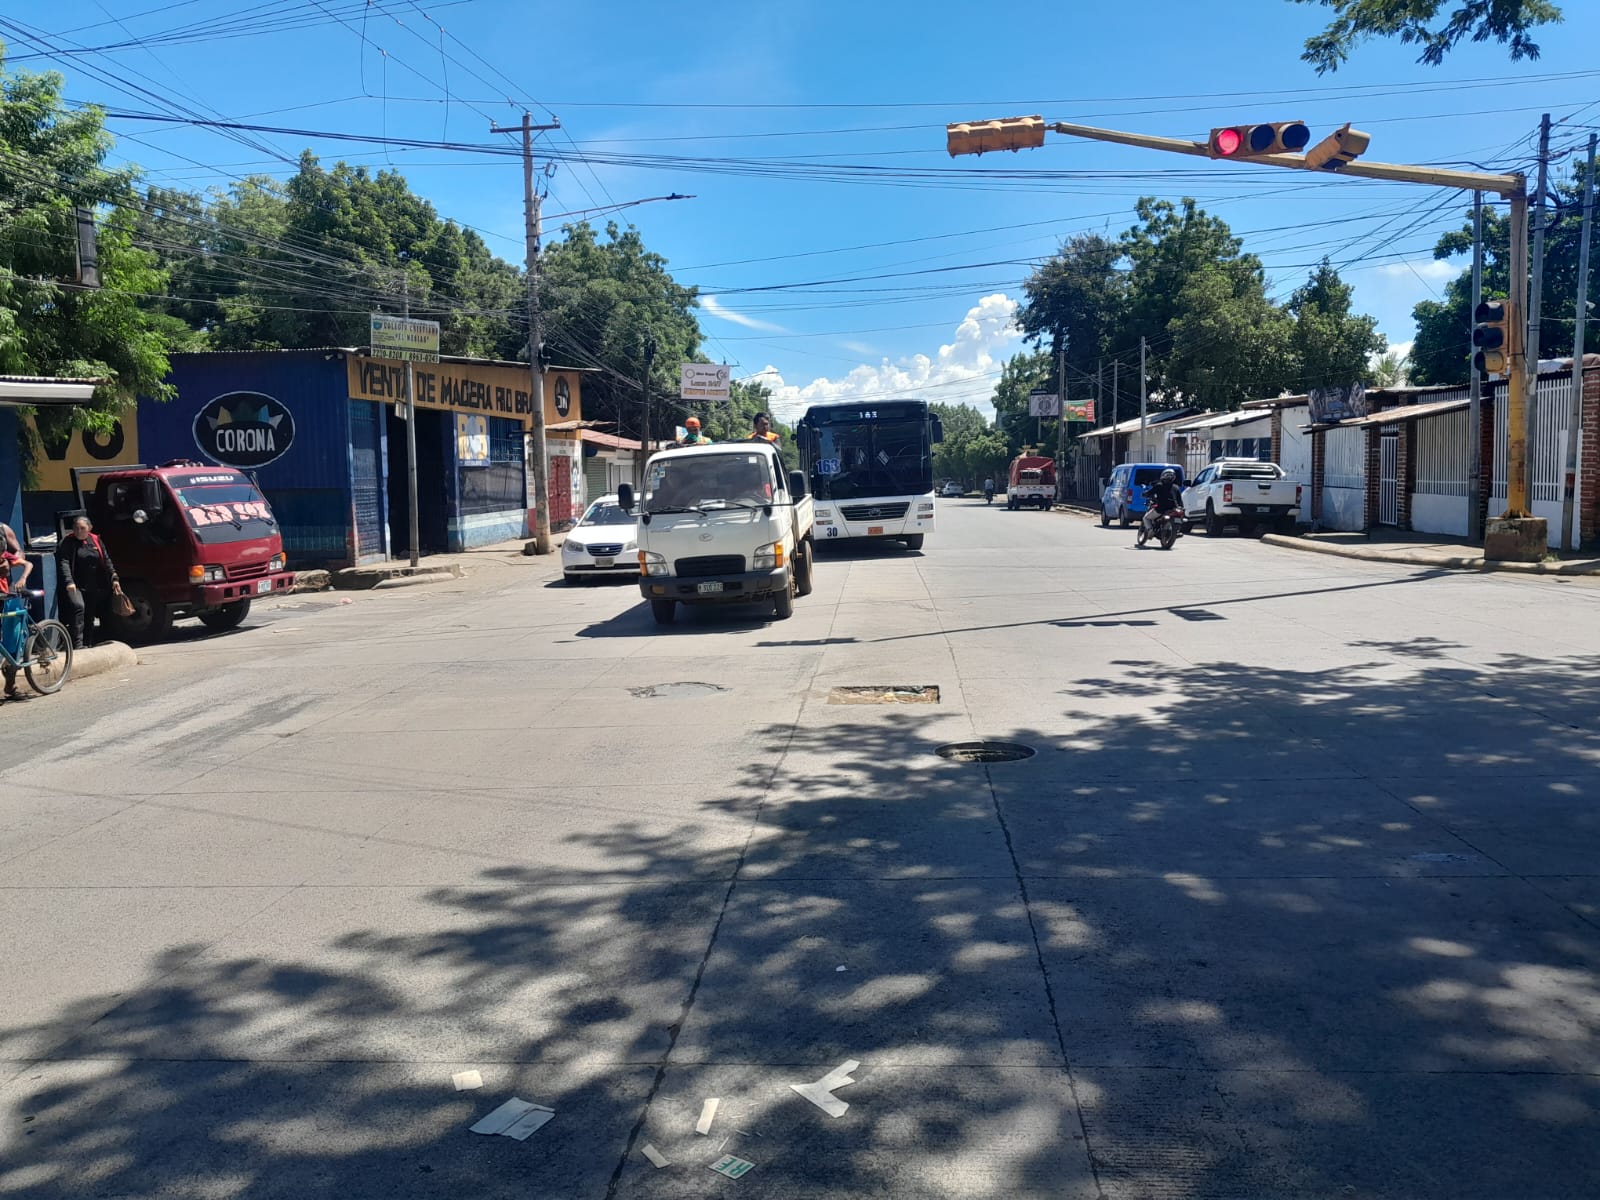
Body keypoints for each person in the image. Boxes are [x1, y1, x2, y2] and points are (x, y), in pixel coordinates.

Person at [56, 516, 120, 649]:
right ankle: (77, 644)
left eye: (82, 528)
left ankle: (88, 642)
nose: (79, 531)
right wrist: (69, 582)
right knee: (78, 607)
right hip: (75, 585)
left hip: (93, 585)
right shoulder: (68, 542)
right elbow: (64, 563)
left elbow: (106, 560)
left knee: (90, 614)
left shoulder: (96, 540)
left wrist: (114, 577)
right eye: (76, 528)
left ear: (89, 528)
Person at [1, 524, 31, 699]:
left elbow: (20, 552)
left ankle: (11, 686)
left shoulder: (3, 530)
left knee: (13, 639)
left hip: (6, 594)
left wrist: (8, 562)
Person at [1141, 469, 1184, 537]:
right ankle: (1175, 531)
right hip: (1173, 509)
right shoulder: (1176, 487)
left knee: (1146, 518)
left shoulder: (1159, 485)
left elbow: (1149, 493)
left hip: (1161, 509)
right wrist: (1181, 507)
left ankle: (1150, 530)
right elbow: (1180, 500)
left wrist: (1144, 494)